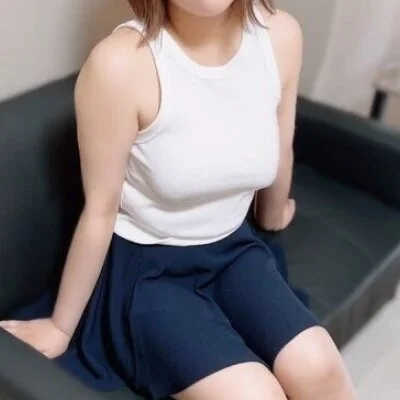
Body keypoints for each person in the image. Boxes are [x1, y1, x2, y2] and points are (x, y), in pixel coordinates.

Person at [0, 1, 357, 399]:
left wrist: (273, 215)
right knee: (254, 394)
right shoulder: (120, 65)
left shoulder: (280, 36)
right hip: (148, 270)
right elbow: (100, 210)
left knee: (320, 367)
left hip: (235, 250)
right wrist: (60, 327)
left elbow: (280, 146)